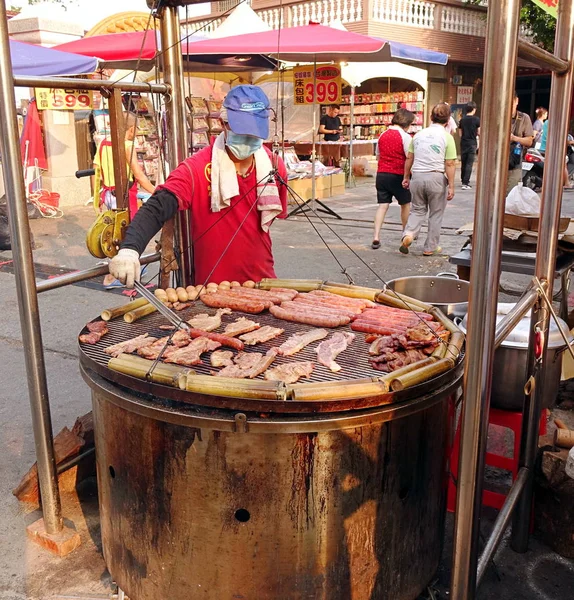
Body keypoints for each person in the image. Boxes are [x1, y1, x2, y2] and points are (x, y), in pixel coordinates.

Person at [109, 85, 288, 287]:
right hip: (211, 288)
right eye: (242, 131)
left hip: (264, 282)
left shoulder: (273, 166)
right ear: (223, 123)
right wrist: (130, 249)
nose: (248, 138)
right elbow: (158, 206)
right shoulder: (197, 168)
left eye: (254, 133)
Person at [399, 103, 456, 257]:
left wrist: (406, 177)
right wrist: (451, 185)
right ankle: (430, 247)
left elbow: (409, 157)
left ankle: (409, 234)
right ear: (448, 120)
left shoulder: (418, 135)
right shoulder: (447, 137)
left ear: (431, 117)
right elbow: (449, 163)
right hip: (436, 177)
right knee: (436, 213)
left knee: (417, 209)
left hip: (417, 177)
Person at [94, 112, 155, 218]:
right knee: (129, 230)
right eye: (137, 129)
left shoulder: (102, 143)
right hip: (123, 197)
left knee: (116, 228)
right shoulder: (128, 146)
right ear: (132, 129)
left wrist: (96, 197)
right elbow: (139, 175)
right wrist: (157, 192)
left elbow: (96, 172)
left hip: (108, 196)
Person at [372, 108, 415, 249]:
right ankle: (405, 233)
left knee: (382, 205)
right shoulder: (405, 137)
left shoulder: (383, 135)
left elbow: (378, 155)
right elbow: (409, 157)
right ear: (407, 123)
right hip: (398, 174)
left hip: (382, 174)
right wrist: (407, 175)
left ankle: (376, 236)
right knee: (405, 204)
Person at [507, 93, 534, 196]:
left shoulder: (524, 118)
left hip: (514, 164)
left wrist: (514, 138)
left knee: (511, 195)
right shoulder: (498, 116)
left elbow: (529, 141)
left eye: (511, 102)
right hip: (496, 164)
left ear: (516, 101)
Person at [458, 101, 480, 189]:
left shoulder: (462, 120)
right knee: (469, 163)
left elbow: (460, 132)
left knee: (463, 162)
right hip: (472, 143)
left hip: (463, 142)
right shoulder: (476, 119)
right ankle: (465, 183)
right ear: (474, 109)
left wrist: (463, 137)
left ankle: (463, 179)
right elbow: (479, 132)